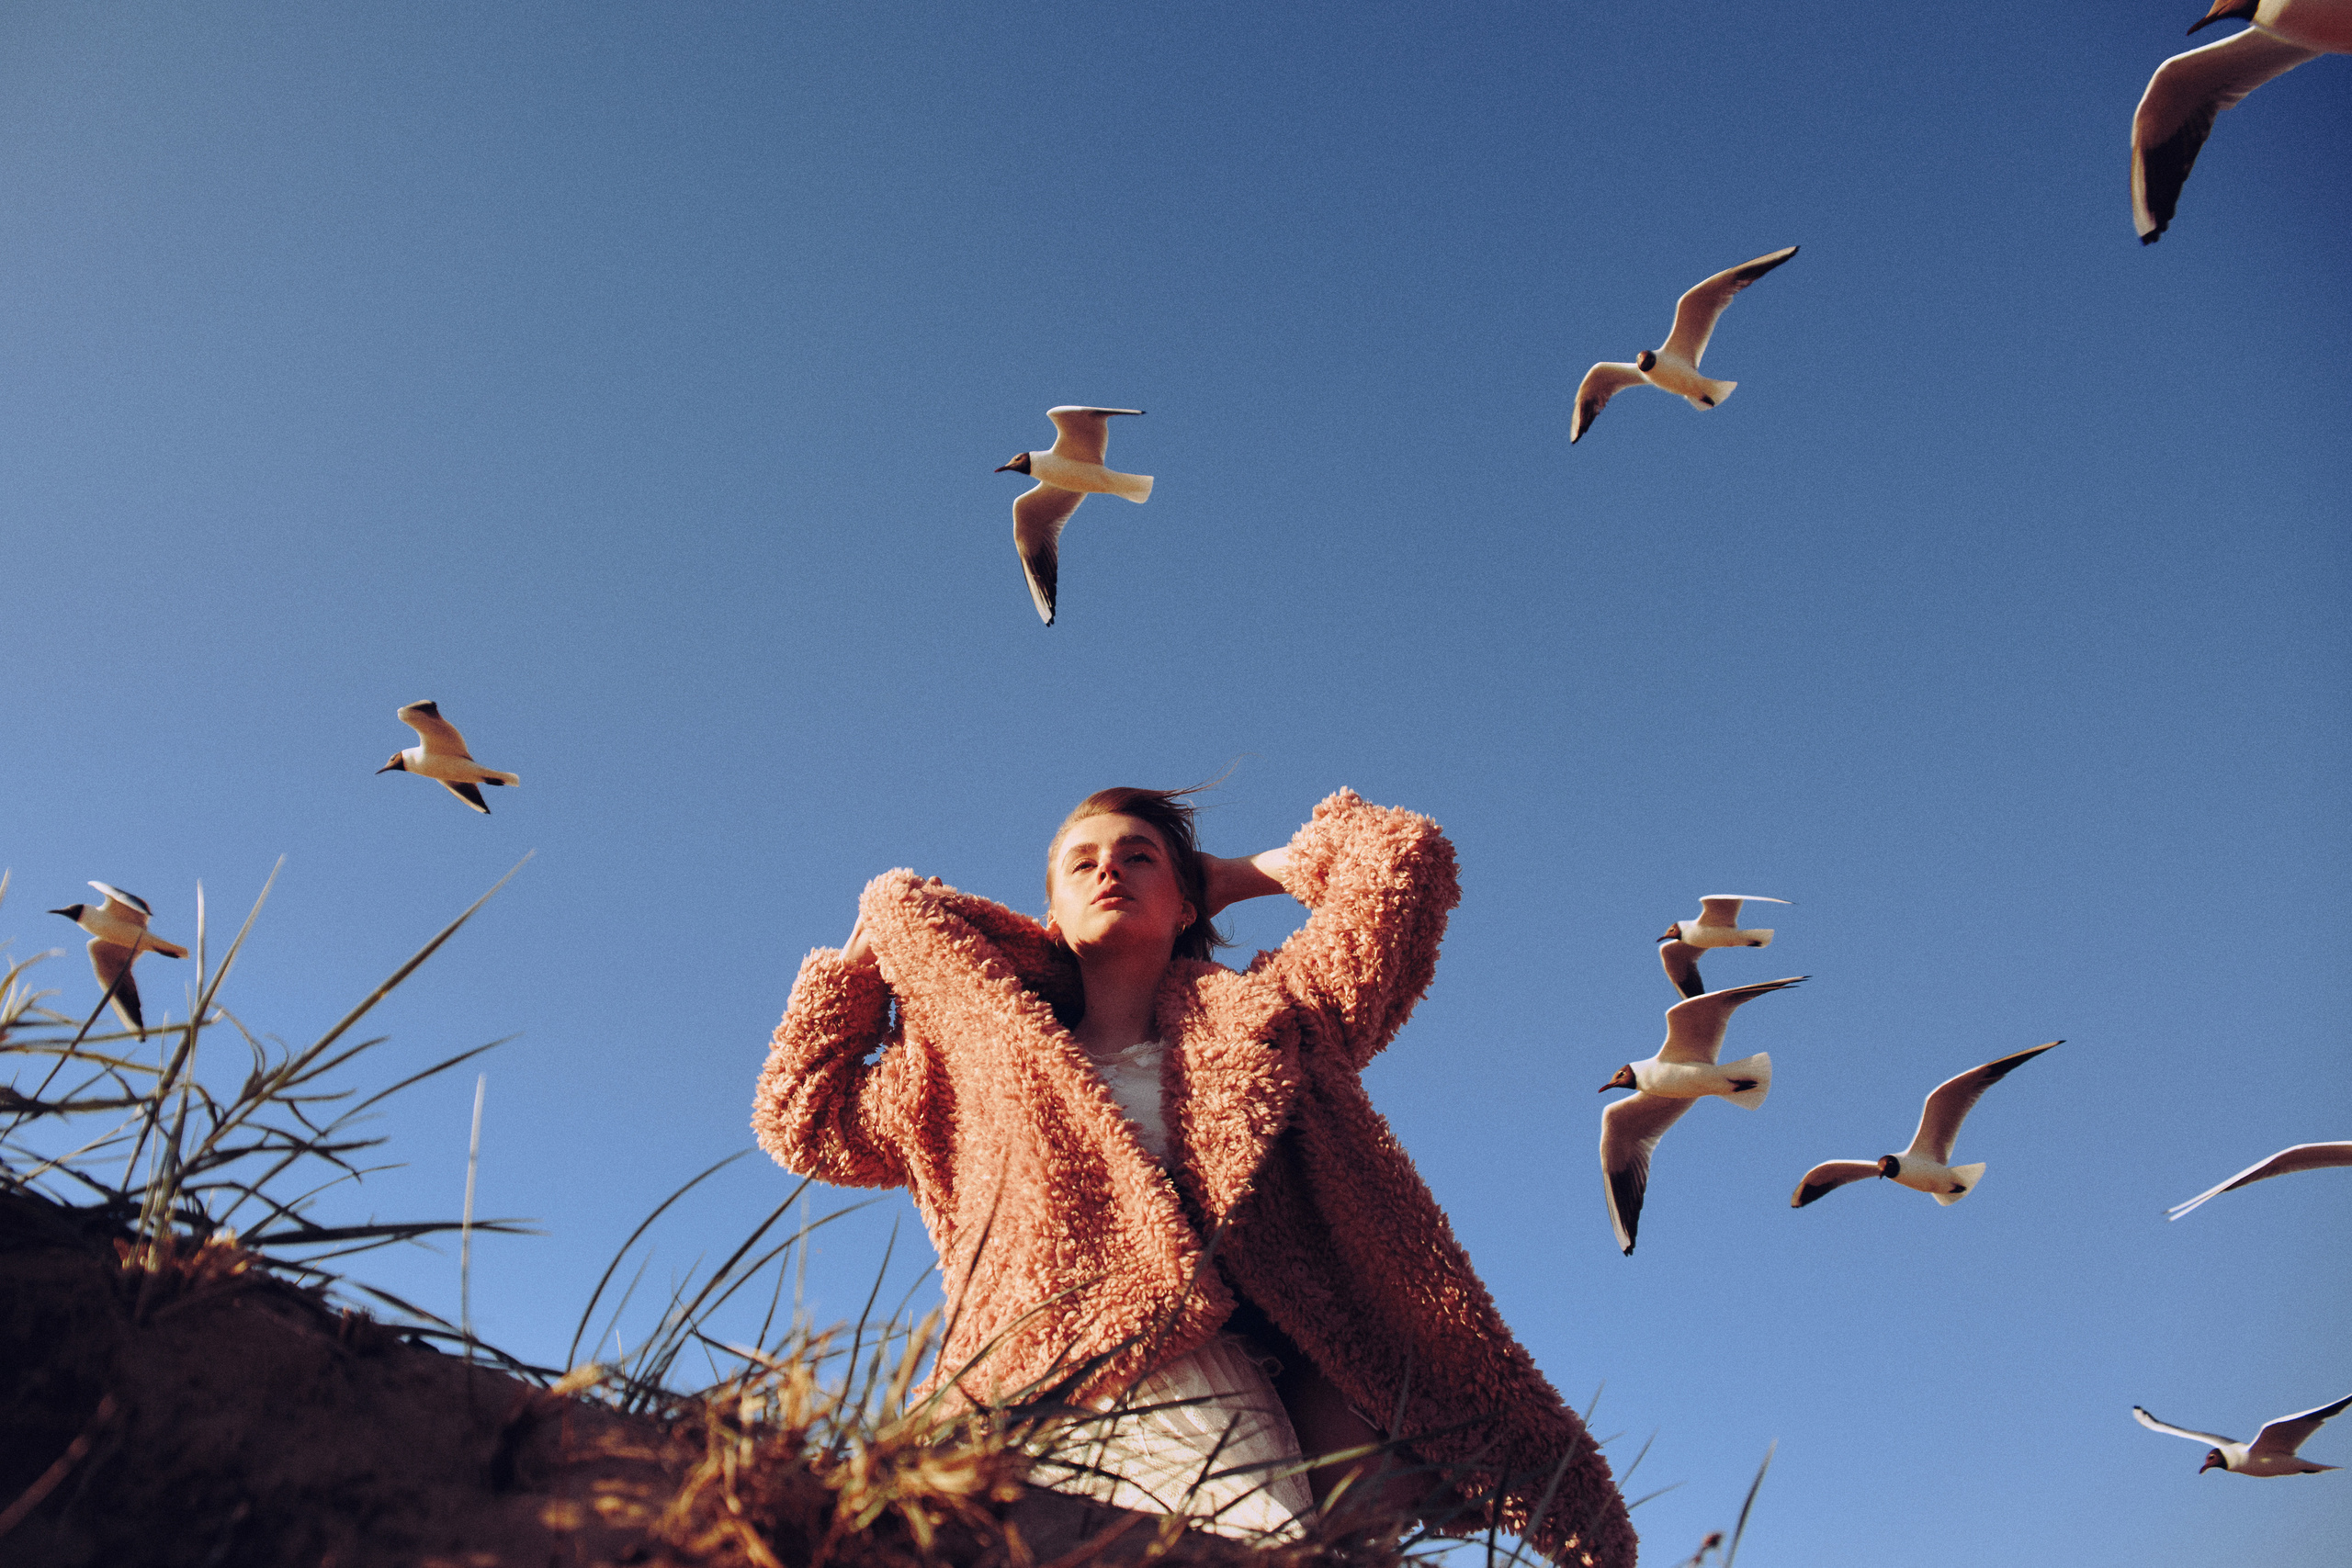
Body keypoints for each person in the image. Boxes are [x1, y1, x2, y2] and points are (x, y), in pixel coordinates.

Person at [753, 787, 1633, 1566]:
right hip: (1016, 1396)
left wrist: (1236, 873)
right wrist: (872, 949)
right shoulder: (966, 1069)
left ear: (1186, 901)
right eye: (1083, 863)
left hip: (1203, 1386)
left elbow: (1404, 861)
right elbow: (801, 1116)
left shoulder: (1269, 1022)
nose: (1111, 872)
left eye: (1141, 858)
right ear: (1048, 912)